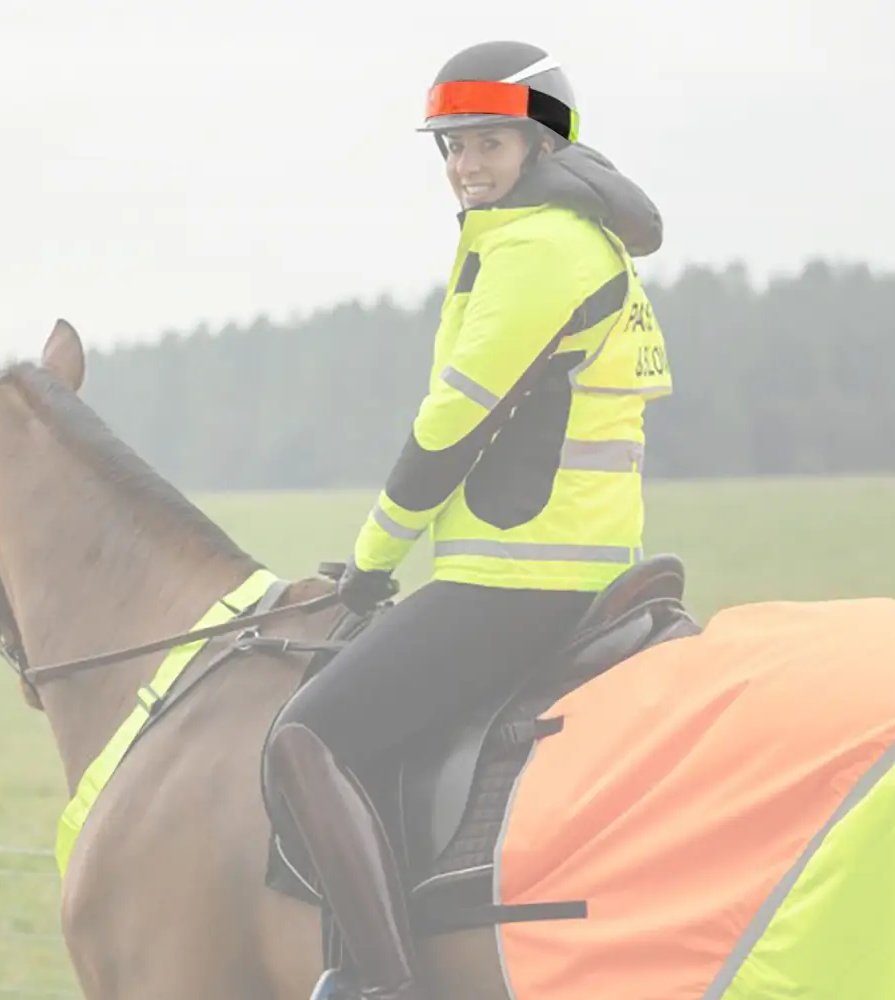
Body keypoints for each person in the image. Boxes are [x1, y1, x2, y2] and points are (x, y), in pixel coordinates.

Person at [263, 39, 673, 1000]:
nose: (464, 166)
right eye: (449, 147)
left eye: (488, 142)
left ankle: (385, 987)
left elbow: (452, 426)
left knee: (304, 739)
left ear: (543, 144)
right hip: (580, 560)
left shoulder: (540, 247)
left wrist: (368, 564)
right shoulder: (564, 236)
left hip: (519, 576)